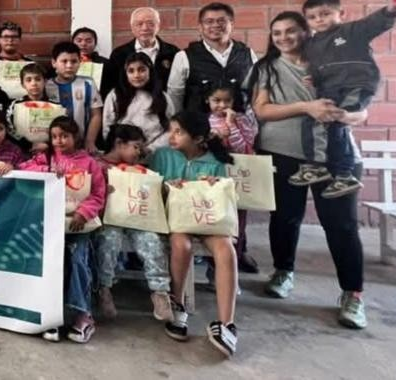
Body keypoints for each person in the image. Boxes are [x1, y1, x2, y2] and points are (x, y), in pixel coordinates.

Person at [249, 11, 368, 329]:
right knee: (285, 218)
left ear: (306, 31)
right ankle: (283, 271)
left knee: (341, 225)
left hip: (334, 156)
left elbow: (362, 111)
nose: (283, 38)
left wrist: (343, 115)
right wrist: (306, 107)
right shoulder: (267, 67)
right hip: (282, 152)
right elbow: (261, 110)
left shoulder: (333, 62)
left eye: (291, 31)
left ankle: (353, 293)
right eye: (277, 33)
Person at [291, 0, 396, 198]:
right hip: (330, 90)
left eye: (325, 14)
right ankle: (317, 165)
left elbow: (374, 23)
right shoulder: (311, 44)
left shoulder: (351, 31)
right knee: (313, 120)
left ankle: (345, 174)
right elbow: (318, 68)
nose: (319, 20)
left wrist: (391, 10)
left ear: (341, 14)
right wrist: (313, 79)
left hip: (357, 86)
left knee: (338, 122)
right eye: (312, 17)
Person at [151, 111, 238, 358]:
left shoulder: (215, 161)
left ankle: (227, 324)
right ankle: (177, 305)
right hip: (179, 219)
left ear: (198, 138)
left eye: (178, 132)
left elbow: (224, 197)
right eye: (171, 131)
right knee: (182, 245)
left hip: (209, 220)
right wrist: (168, 188)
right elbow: (152, 191)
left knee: (226, 250)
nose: (172, 136)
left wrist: (214, 184)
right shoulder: (163, 156)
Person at [18, 116, 105, 344]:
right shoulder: (46, 158)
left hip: (78, 227)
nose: (59, 141)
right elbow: (23, 170)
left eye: (64, 136)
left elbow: (98, 195)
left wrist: (82, 213)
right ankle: (50, 313)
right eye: (55, 136)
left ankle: (83, 315)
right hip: (48, 225)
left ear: (75, 137)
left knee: (78, 260)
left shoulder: (90, 164)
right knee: (47, 261)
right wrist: (44, 170)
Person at [94, 124, 173, 323]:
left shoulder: (140, 170)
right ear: (119, 143)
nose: (139, 152)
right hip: (109, 219)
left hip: (137, 218)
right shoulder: (97, 165)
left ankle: (160, 292)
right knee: (108, 240)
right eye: (136, 147)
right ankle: (103, 288)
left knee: (152, 241)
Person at [206, 80, 259, 274]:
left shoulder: (243, 120)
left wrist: (231, 125)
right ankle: (213, 270)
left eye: (226, 101)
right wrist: (216, 138)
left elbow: (244, 147)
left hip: (239, 180)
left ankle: (232, 269)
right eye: (216, 100)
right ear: (207, 100)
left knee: (237, 225)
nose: (221, 105)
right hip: (214, 179)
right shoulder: (205, 122)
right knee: (214, 222)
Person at [166, 3, 257, 113]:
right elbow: (175, 97)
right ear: (200, 27)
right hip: (198, 122)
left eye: (221, 21)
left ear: (232, 24)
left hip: (240, 121)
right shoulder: (184, 56)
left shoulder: (247, 54)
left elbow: (257, 91)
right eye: (209, 21)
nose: (215, 25)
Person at [102, 52, 175, 154]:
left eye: (142, 70)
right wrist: (122, 150)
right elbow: (108, 127)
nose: (136, 75)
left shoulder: (162, 97)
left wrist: (150, 149)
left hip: (155, 153)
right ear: (125, 73)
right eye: (131, 71)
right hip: (122, 153)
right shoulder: (115, 95)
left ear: (150, 71)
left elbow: (171, 129)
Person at [103, 8, 180, 98]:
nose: (145, 28)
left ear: (158, 26)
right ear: (132, 27)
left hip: (164, 103)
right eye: (139, 24)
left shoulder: (173, 52)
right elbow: (113, 85)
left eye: (150, 23)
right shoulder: (119, 54)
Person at [46, 42, 103, 153]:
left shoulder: (88, 83)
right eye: (64, 61)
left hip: (81, 145)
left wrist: (90, 141)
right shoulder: (46, 86)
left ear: (80, 62)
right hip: (54, 146)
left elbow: (96, 115)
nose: (69, 66)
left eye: (74, 61)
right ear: (54, 63)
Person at [6, 63, 52, 153]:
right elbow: (9, 128)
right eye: (28, 80)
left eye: (38, 79)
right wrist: (28, 145)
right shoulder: (15, 105)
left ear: (45, 81)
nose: (34, 83)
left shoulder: (56, 105)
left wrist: (47, 144)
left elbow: (61, 128)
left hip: (48, 150)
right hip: (21, 150)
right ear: (23, 84)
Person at [71, 26, 110, 96]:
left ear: (95, 44)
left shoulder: (106, 64)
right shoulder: (64, 62)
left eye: (88, 41)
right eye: (79, 41)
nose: (83, 44)